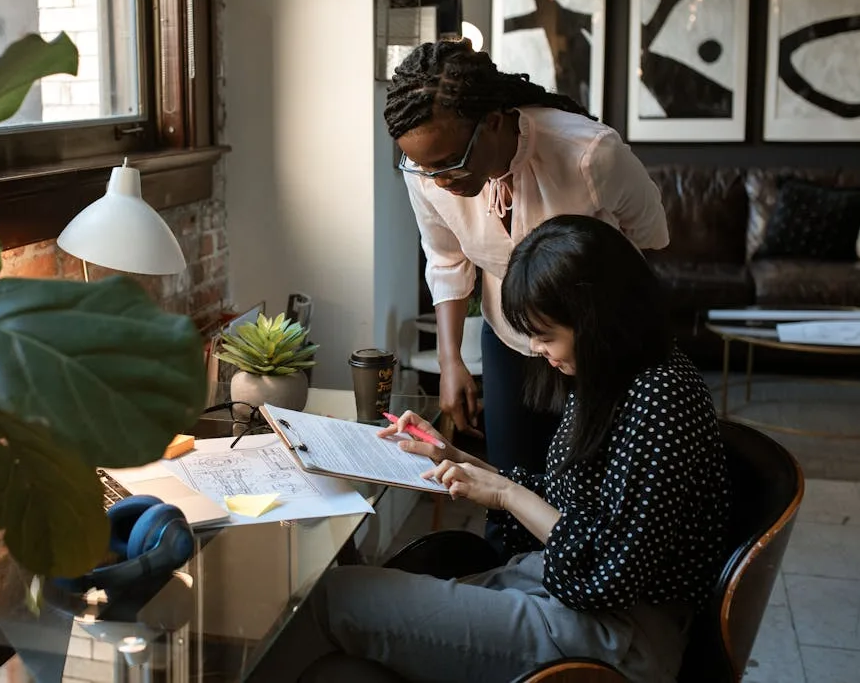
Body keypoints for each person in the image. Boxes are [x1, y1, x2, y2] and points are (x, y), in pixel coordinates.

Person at [295, 215, 730, 683]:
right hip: (564, 591)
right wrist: (456, 459)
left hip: (617, 634)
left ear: (596, 318)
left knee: (337, 598)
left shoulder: (660, 397)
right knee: (341, 636)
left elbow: (608, 572)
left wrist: (503, 492)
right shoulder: (615, 376)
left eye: (547, 335)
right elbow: (575, 506)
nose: (539, 350)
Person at [386, 39, 669, 494]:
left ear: (493, 122)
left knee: (592, 492)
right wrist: (450, 359)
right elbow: (446, 259)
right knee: (509, 484)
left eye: (450, 164)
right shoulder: (425, 172)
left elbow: (650, 237)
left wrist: (592, 319)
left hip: (598, 347)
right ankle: (508, 569)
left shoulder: (590, 154)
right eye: (424, 168)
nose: (438, 181)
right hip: (509, 339)